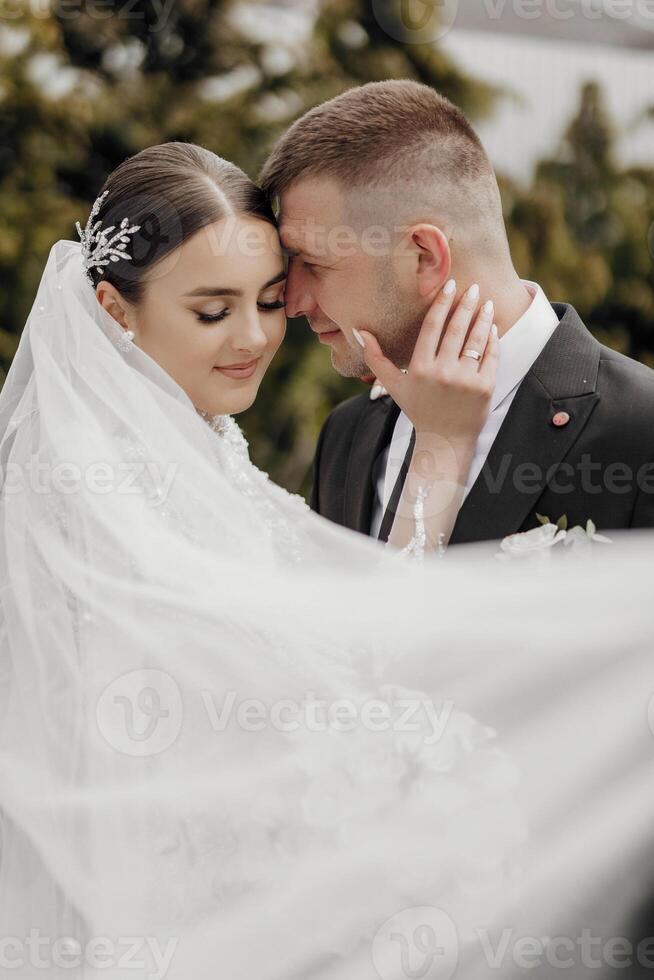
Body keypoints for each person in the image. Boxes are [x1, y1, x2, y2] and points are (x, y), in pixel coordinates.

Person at [1, 140, 653, 980]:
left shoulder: (215, 462)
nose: (258, 336)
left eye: (272, 298)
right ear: (115, 309)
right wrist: (444, 456)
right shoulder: (109, 505)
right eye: (211, 310)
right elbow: (360, 697)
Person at [259, 79, 654, 545]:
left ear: (424, 256)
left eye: (313, 263)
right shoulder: (348, 434)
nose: (294, 300)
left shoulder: (642, 430)